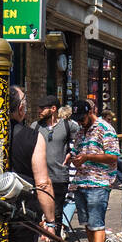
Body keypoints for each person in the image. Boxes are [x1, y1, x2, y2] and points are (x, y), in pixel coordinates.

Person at [4, 86, 58, 242]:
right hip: (21, 213)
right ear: (20, 108)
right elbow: (43, 182)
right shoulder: (33, 136)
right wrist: (51, 221)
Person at [70, 98, 120, 242]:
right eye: (77, 119)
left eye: (82, 118)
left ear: (91, 112)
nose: (79, 122)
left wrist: (87, 157)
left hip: (98, 182)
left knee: (97, 223)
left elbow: (113, 156)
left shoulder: (105, 129)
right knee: (87, 224)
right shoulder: (80, 130)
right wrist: (73, 157)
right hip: (81, 181)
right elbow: (77, 151)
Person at [34, 95, 77, 234]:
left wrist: (73, 153)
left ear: (53, 109)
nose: (38, 110)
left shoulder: (67, 125)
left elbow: (80, 141)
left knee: (56, 213)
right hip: (39, 179)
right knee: (39, 213)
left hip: (59, 177)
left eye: (42, 108)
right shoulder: (35, 127)